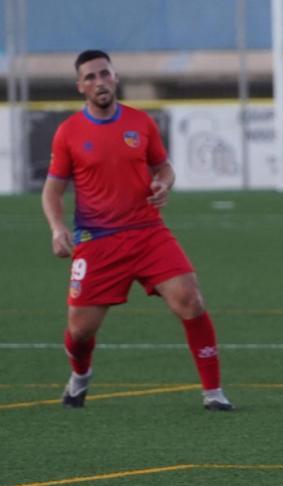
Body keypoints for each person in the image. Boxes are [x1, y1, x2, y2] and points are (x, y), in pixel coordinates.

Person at [41, 50, 233, 411]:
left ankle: (214, 393)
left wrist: (163, 183)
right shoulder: (69, 132)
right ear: (80, 86)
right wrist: (56, 228)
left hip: (148, 233)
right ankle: (80, 376)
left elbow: (164, 168)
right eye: (91, 77)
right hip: (96, 242)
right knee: (81, 332)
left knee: (190, 301)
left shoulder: (140, 123)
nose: (100, 82)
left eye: (105, 74)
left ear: (115, 77)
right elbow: (52, 190)